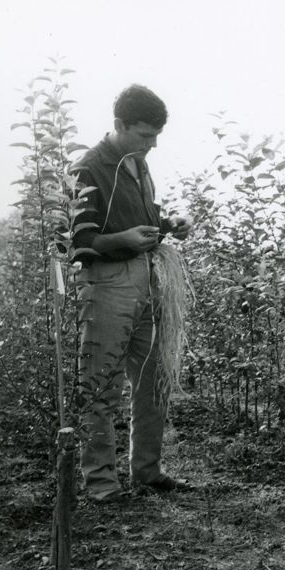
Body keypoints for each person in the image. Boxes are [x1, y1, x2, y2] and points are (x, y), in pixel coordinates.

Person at [72, 85, 192, 503]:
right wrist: (121, 238)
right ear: (118, 125)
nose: (153, 144)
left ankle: (146, 470)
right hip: (108, 283)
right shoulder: (89, 168)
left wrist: (167, 221)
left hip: (147, 279)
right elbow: (75, 240)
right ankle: (101, 482)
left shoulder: (138, 164)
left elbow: (142, 215)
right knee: (101, 383)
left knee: (153, 378)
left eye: (156, 135)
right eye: (144, 135)